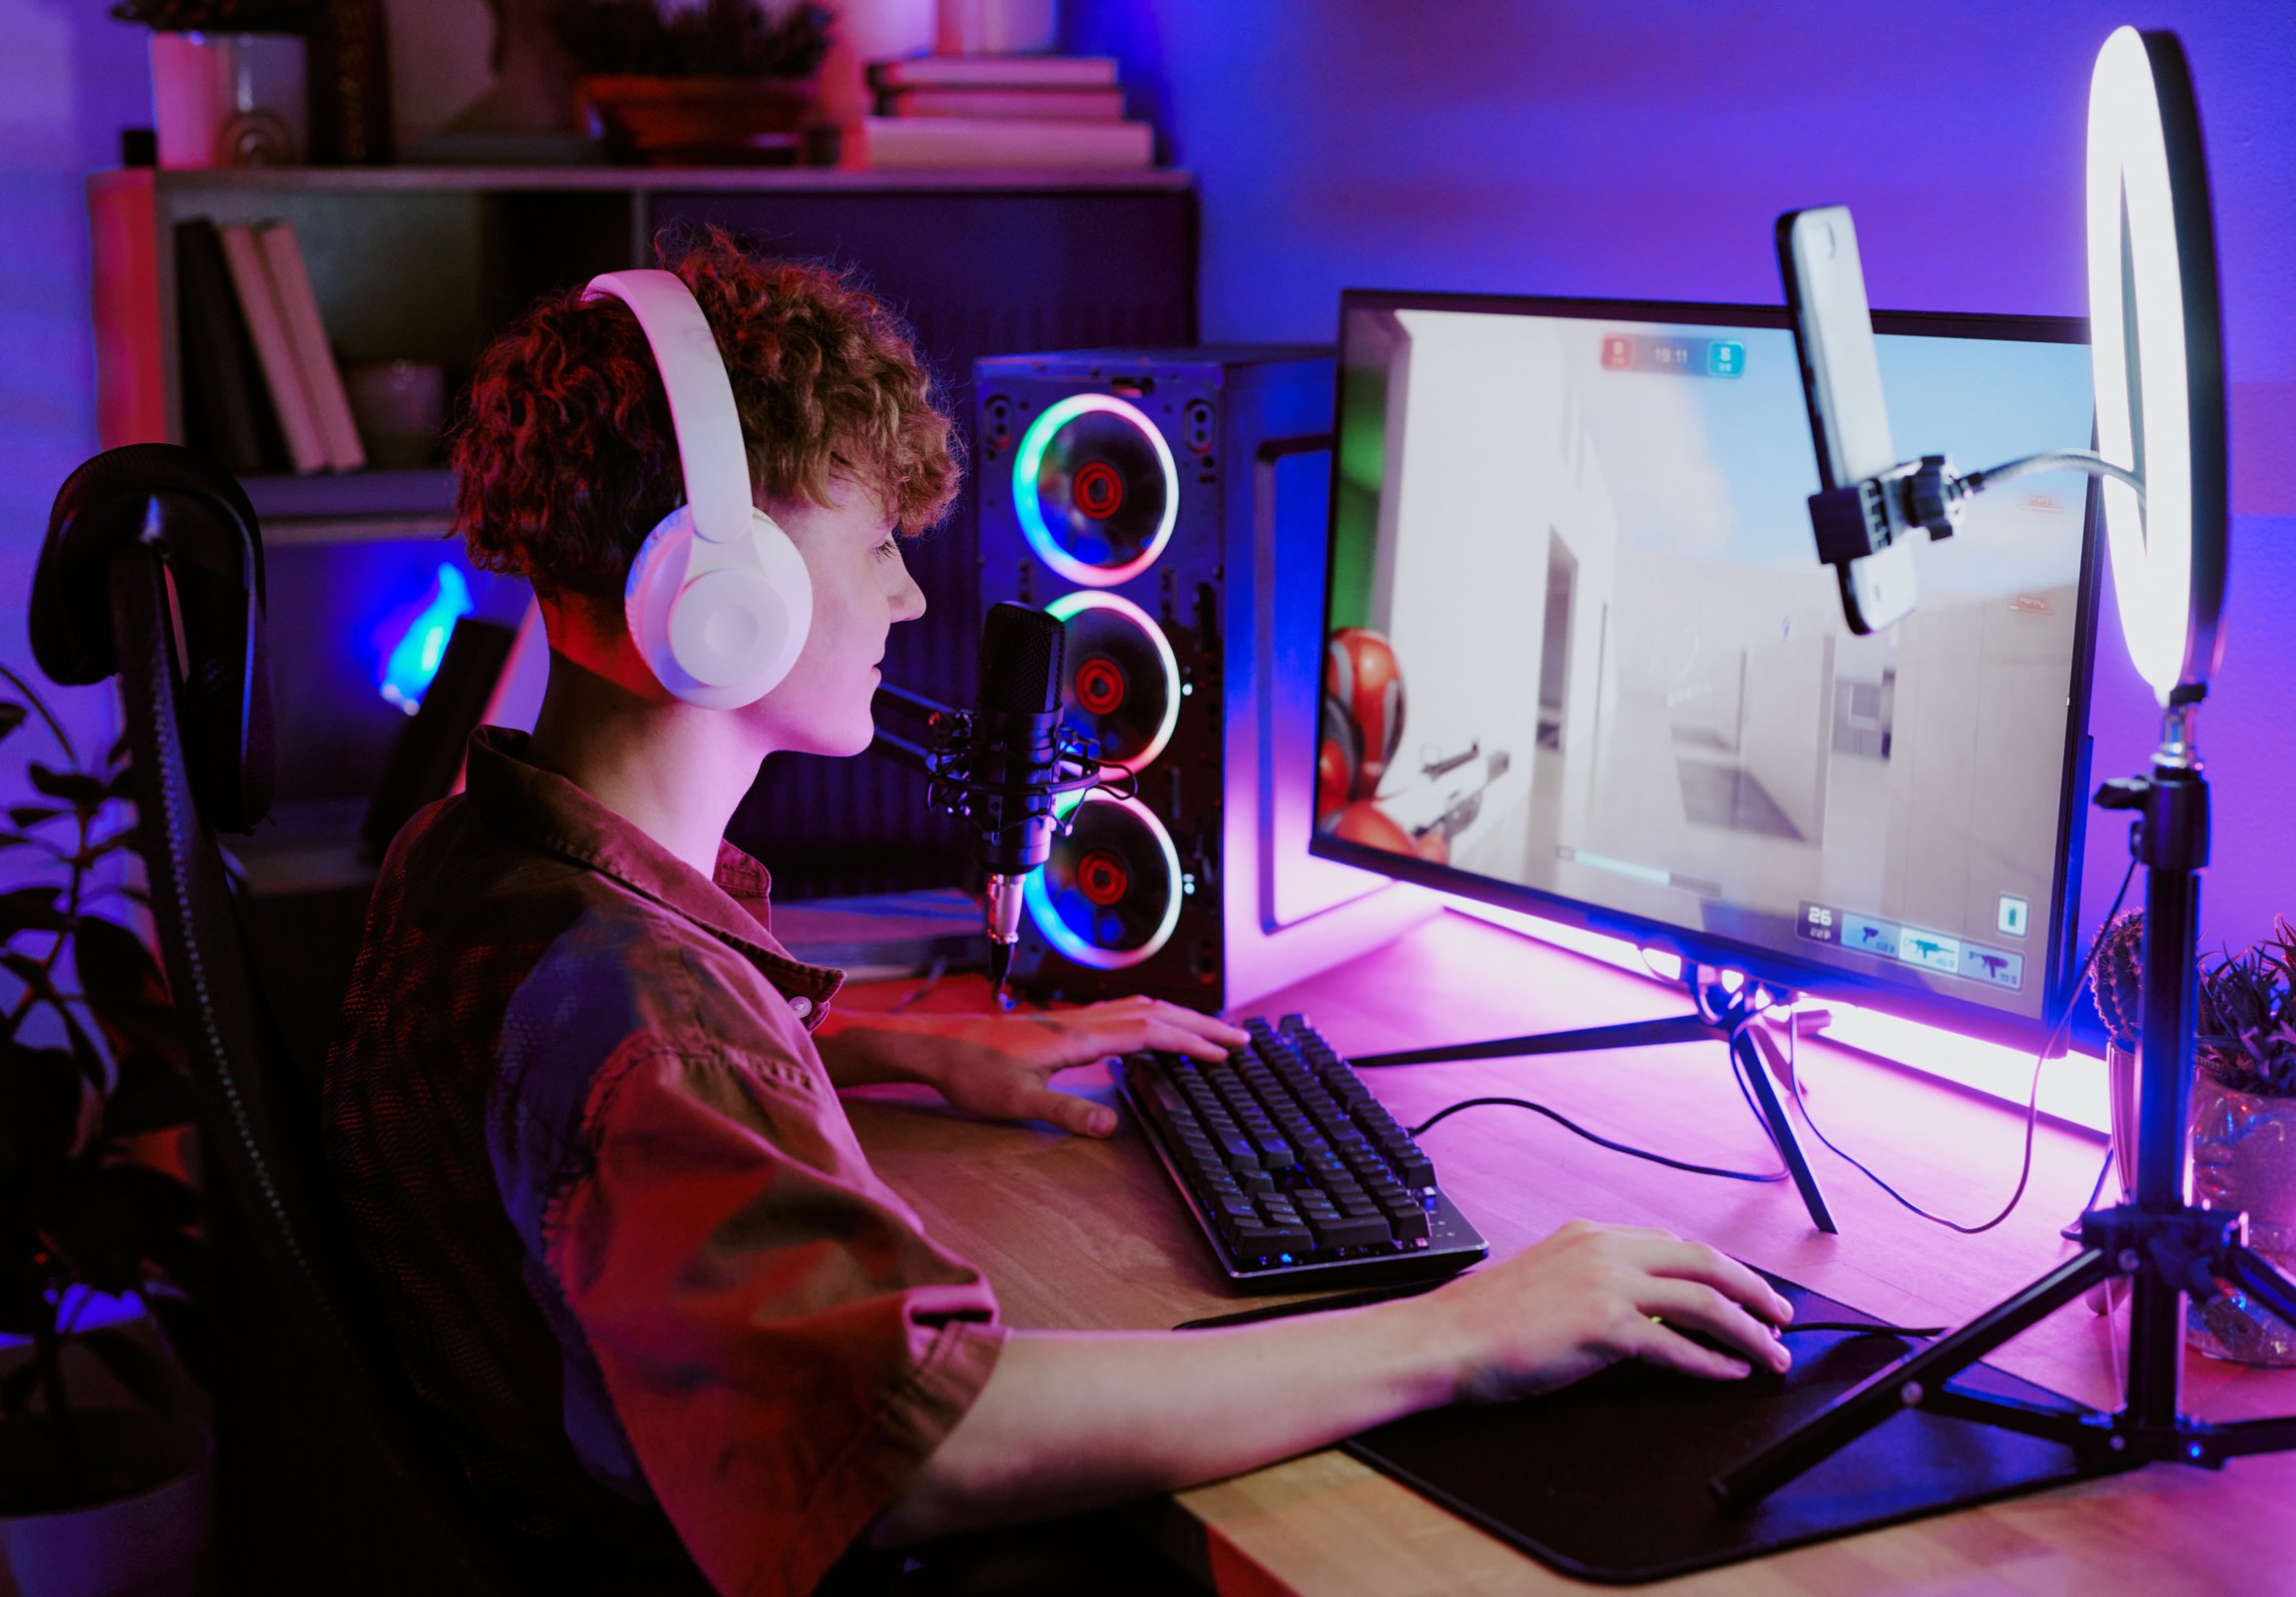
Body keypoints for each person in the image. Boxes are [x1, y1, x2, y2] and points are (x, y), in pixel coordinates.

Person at [322, 229, 1794, 1597]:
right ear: (722, 591)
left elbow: (596, 1113)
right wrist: (1467, 1332)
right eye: (876, 546)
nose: (908, 602)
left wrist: (901, 1047)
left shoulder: (470, 856)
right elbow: (924, 1442)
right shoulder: (650, 1029)